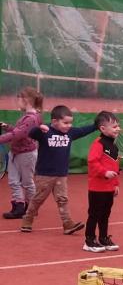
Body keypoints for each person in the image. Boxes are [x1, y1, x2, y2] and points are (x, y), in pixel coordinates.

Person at [21, 105, 97, 234]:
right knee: (38, 199)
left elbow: (83, 130)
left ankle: (67, 224)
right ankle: (27, 220)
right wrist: (40, 128)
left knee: (62, 199)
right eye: (65, 123)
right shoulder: (45, 131)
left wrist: (96, 125)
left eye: (70, 123)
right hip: (45, 174)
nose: (69, 126)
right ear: (54, 121)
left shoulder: (70, 133)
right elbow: (31, 133)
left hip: (61, 174)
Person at [0, 87, 43, 219]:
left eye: (18, 99)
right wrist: (6, 126)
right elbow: (19, 131)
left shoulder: (31, 118)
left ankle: (31, 209)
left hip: (26, 155)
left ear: (26, 100)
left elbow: (18, 134)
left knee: (27, 182)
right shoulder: (27, 117)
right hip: (16, 153)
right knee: (13, 181)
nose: (17, 102)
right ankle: (19, 207)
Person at [83, 111, 123, 253]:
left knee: (105, 214)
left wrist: (116, 184)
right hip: (97, 188)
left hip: (109, 188)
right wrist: (104, 172)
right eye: (114, 126)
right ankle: (89, 241)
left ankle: (104, 238)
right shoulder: (98, 144)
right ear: (103, 129)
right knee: (94, 214)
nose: (118, 129)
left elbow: (115, 167)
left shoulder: (114, 147)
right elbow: (92, 162)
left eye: (118, 126)